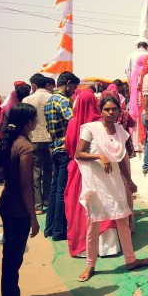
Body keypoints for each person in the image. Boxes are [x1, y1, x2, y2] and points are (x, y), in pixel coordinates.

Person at [75, 95, 148, 282]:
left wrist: (129, 181)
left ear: (119, 111)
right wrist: (100, 157)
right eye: (106, 109)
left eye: (114, 109)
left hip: (115, 181)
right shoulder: (90, 129)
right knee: (93, 224)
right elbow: (78, 153)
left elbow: (122, 160)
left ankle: (130, 260)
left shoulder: (120, 130)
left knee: (123, 220)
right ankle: (90, 265)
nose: (110, 113)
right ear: (100, 111)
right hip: (96, 183)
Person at [64, 90, 120, 258]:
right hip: (100, 168)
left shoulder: (73, 123)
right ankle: (106, 248)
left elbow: (69, 147)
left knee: (82, 208)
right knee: (105, 204)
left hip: (78, 170)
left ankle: (85, 248)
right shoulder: (99, 122)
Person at [0, 103, 39, 296]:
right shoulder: (25, 147)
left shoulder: (12, 142)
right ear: (29, 122)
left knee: (12, 258)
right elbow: (26, 185)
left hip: (7, 203)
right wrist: (33, 217)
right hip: (18, 209)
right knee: (13, 259)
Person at [44, 71, 80, 241]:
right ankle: (59, 231)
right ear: (68, 83)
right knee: (62, 191)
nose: (74, 90)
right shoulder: (63, 101)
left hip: (54, 148)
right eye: (73, 87)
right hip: (64, 149)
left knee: (54, 189)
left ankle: (50, 228)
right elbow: (73, 122)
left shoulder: (50, 100)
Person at [22, 73, 53, 215]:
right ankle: (47, 199)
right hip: (50, 139)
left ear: (33, 85)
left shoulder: (27, 99)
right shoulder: (53, 98)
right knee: (49, 171)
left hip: (33, 139)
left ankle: (38, 205)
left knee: (35, 173)